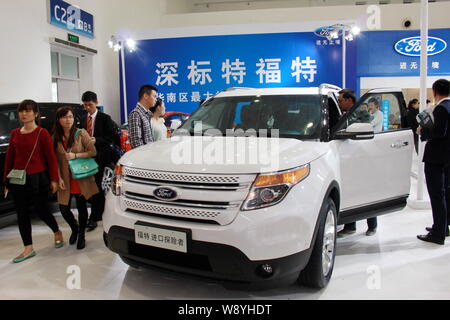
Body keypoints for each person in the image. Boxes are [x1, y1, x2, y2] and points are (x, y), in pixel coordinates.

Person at [3, 100, 63, 263]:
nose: (24, 113)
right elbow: (10, 158)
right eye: (22, 111)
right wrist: (5, 181)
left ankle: (57, 231)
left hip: (37, 178)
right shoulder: (15, 133)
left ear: (36, 114)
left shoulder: (41, 133)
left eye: (28, 111)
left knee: (41, 210)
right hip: (18, 179)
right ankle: (28, 248)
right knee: (22, 214)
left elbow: (50, 158)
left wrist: (54, 180)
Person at [53, 107, 99, 249]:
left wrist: (75, 156)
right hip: (64, 178)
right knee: (64, 209)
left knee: (81, 207)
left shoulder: (81, 133)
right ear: (59, 119)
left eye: (71, 117)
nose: (68, 120)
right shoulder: (54, 137)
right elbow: (54, 160)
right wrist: (58, 178)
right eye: (65, 117)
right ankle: (75, 228)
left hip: (80, 176)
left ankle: (81, 235)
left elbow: (93, 152)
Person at [337, 89, 377, 237]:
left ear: (349, 100)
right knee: (351, 191)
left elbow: (361, 128)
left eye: (341, 100)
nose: (339, 103)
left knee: (366, 190)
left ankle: (372, 225)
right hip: (347, 157)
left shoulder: (362, 113)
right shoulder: (343, 113)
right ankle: (350, 226)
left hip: (363, 157)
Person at [417, 79, 450, 245]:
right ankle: (443, 227)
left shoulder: (441, 109)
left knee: (437, 195)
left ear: (435, 91)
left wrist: (422, 131)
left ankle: (438, 234)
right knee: (445, 194)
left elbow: (439, 132)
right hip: (446, 158)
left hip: (436, 158)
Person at [80, 91, 118, 231]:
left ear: (96, 103)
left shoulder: (104, 118)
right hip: (86, 158)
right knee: (89, 186)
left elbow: (113, 138)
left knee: (97, 186)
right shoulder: (82, 118)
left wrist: (97, 140)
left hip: (101, 157)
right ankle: (96, 213)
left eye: (90, 105)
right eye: (85, 105)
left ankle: (95, 216)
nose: (88, 108)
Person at [128, 84, 158, 149]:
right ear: (146, 96)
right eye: (154, 96)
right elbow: (136, 142)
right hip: (143, 156)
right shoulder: (136, 114)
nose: (156, 99)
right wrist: (145, 156)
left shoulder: (148, 113)